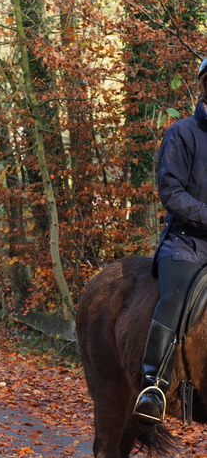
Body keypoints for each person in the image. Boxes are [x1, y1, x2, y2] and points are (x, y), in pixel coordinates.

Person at [133, 58, 207, 425]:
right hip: (187, 243)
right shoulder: (182, 132)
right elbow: (171, 190)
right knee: (175, 298)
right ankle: (155, 384)